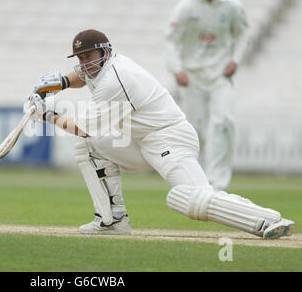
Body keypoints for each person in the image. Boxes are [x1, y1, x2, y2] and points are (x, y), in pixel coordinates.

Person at [25, 28, 294, 239]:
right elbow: (82, 76)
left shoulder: (114, 80)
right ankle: (112, 221)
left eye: (89, 57)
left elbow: (83, 129)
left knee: (188, 197)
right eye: (80, 59)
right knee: (90, 148)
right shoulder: (106, 67)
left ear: (105, 52)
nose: (84, 64)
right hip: (140, 142)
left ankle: (266, 219)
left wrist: (45, 115)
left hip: (170, 139)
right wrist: (60, 83)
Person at [164, 0, 249, 190]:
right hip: (192, 77)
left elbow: (243, 34)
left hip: (221, 75)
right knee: (195, 127)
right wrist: (177, 69)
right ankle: (198, 181)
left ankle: (217, 183)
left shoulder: (232, 6)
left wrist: (235, 60)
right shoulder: (186, 7)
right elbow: (171, 40)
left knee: (223, 122)